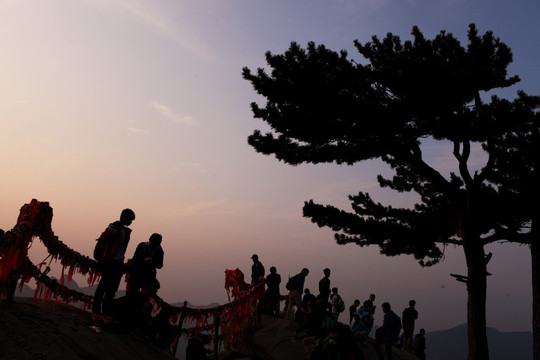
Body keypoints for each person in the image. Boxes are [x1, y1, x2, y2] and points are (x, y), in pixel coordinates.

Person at [92, 208, 136, 315]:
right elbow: (103, 238)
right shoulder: (113, 226)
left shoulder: (125, 231)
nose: (130, 222)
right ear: (125, 218)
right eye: (130, 220)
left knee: (112, 288)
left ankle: (105, 310)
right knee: (104, 285)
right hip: (110, 261)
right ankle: (96, 309)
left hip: (119, 262)